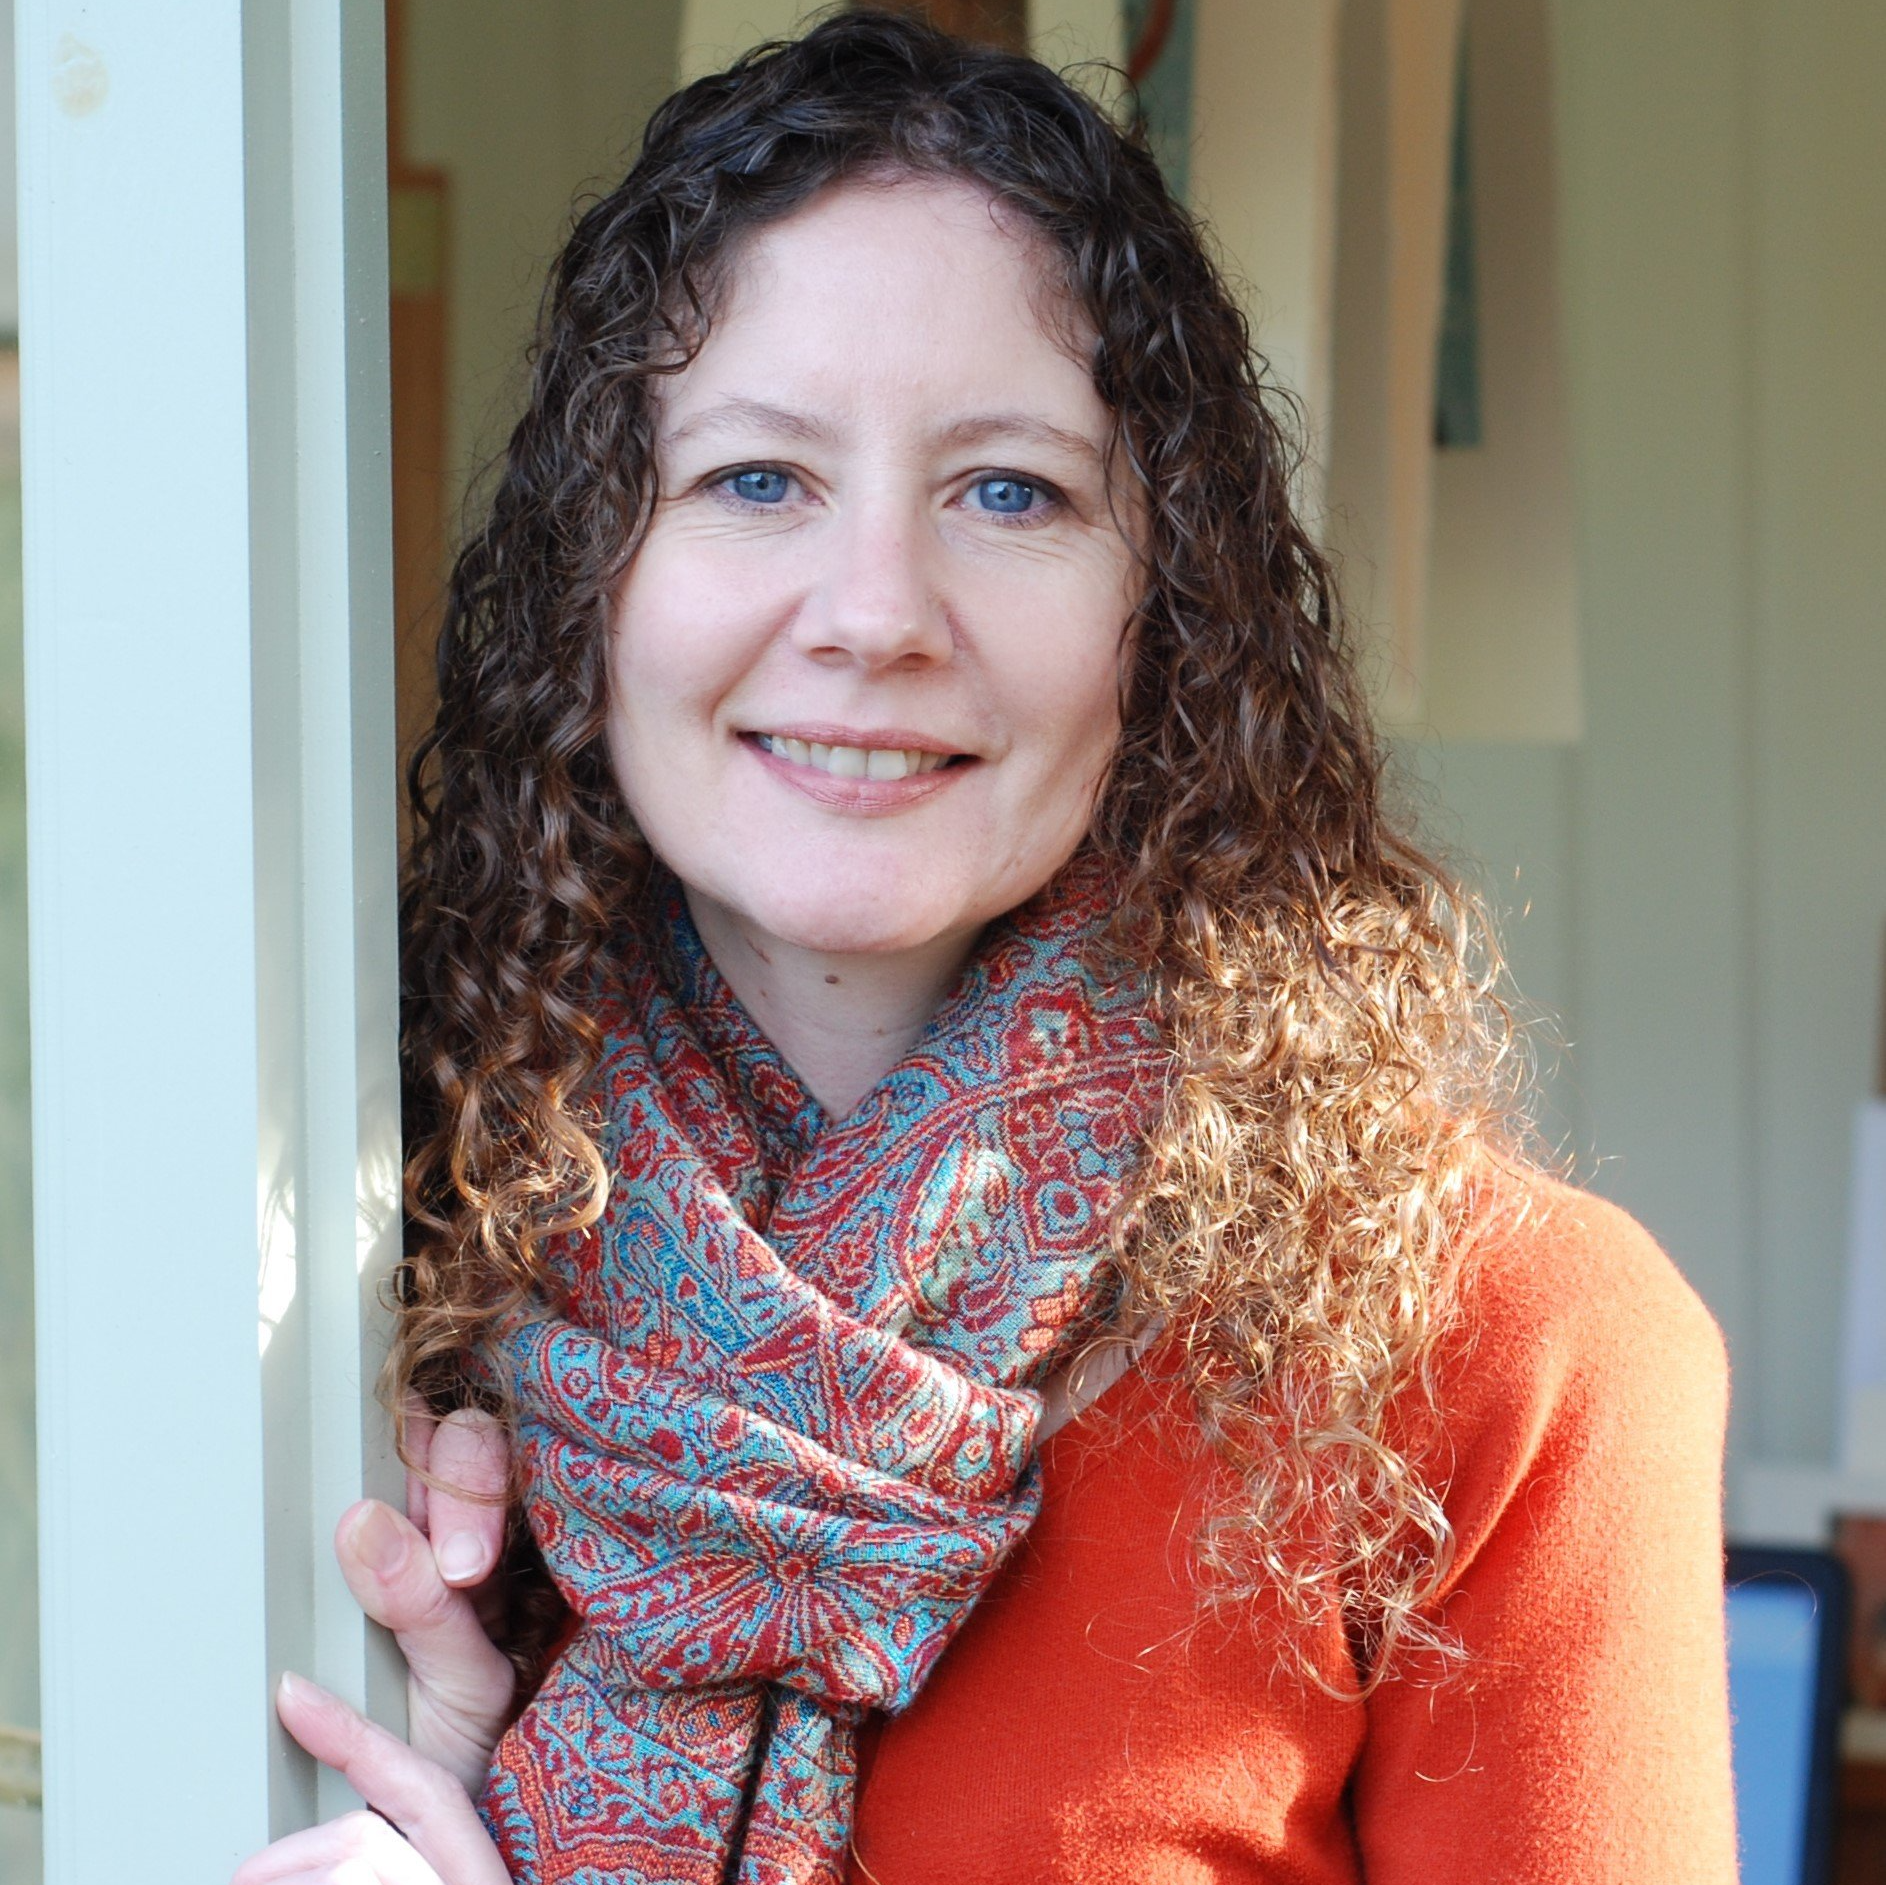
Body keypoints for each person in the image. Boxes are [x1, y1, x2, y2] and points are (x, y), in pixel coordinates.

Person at [232, 13, 1737, 1884]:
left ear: (1161, 609)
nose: (872, 614)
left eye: (1008, 491)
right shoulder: (358, 1299)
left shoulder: (1503, 1354)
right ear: (587, 588)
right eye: (754, 479)